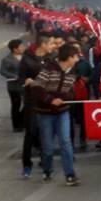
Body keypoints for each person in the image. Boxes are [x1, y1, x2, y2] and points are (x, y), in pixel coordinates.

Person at [30, 43, 81, 186]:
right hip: (45, 112)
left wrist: (66, 99)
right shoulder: (48, 69)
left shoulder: (72, 71)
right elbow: (36, 87)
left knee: (65, 142)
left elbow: (71, 91)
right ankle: (47, 169)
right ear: (69, 57)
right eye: (76, 56)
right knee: (47, 145)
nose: (77, 59)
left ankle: (70, 174)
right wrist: (50, 100)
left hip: (63, 111)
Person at [18, 33, 56, 178]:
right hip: (32, 101)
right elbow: (21, 78)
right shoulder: (27, 59)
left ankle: (45, 161)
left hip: (47, 100)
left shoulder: (51, 59)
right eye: (51, 43)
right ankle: (27, 165)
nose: (53, 46)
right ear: (43, 44)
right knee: (31, 132)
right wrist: (27, 80)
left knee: (45, 133)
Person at [0, 39, 26, 132]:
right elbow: (2, 71)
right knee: (16, 105)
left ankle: (21, 120)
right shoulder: (7, 59)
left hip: (25, 85)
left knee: (27, 104)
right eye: (21, 46)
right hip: (13, 86)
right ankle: (16, 126)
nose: (23, 48)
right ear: (15, 49)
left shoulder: (26, 57)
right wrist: (14, 76)